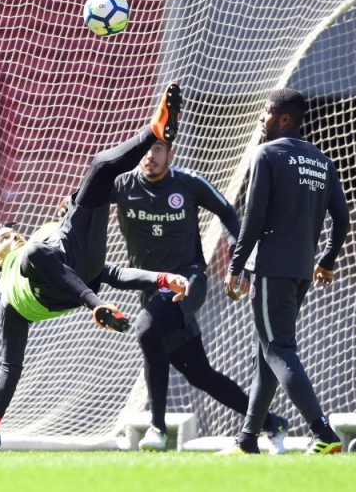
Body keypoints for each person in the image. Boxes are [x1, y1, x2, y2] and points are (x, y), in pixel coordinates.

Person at [0, 83, 192, 452]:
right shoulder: (11, 294)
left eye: (12, 231)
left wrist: (163, 279)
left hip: (79, 264)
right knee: (41, 246)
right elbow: (11, 369)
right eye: (3, 238)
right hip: (72, 283)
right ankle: (155, 131)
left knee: (102, 168)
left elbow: (109, 273)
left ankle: (157, 130)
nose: (13, 235)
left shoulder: (41, 239)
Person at [111, 137, 289, 453]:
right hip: (152, 290)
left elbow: (227, 212)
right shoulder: (122, 185)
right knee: (201, 375)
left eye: (158, 150)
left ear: (170, 155)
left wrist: (241, 256)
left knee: (147, 330)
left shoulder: (189, 183)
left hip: (189, 281)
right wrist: (71, 208)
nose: (150, 156)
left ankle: (157, 427)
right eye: (146, 150)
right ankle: (271, 423)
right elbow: (86, 201)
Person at [217, 88, 350, 456]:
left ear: (284, 118)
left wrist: (236, 264)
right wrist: (327, 260)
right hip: (301, 271)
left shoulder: (267, 154)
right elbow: (342, 218)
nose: (262, 117)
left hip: (271, 268)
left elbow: (254, 217)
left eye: (266, 112)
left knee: (278, 349)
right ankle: (247, 439)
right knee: (268, 355)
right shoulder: (323, 161)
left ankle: (323, 432)